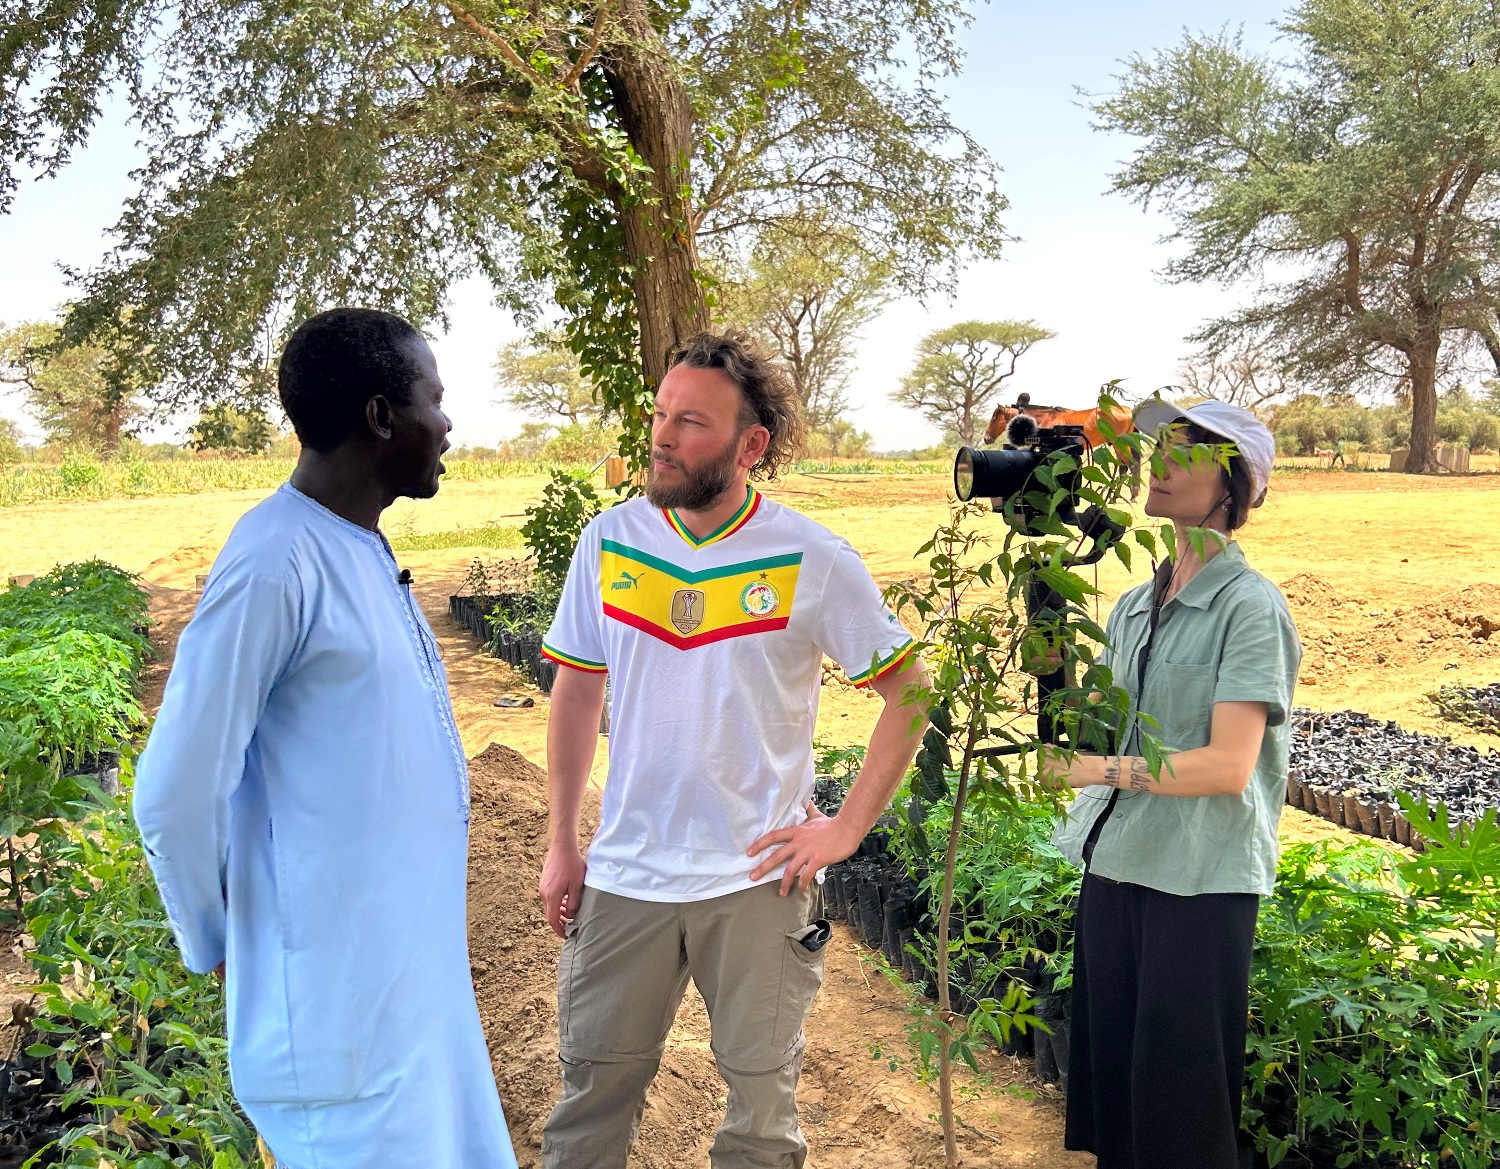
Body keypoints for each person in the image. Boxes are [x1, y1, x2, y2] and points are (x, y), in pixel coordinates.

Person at [133, 308, 518, 1169]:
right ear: (382, 417)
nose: (448, 422)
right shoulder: (275, 561)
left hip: (407, 1001)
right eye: (434, 398)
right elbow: (171, 792)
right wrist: (218, 946)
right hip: (340, 1027)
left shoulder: (353, 547)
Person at [537, 330, 927, 1169]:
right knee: (589, 1103)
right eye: (661, 417)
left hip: (756, 882)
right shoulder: (608, 541)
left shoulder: (811, 558)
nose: (663, 438)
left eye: (692, 423)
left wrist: (845, 830)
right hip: (625, 874)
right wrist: (562, 841)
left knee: (760, 1116)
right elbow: (576, 692)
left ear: (751, 445)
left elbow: (912, 692)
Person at [1049, 396, 1302, 1169]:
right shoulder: (1131, 604)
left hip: (1200, 884)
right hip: (1115, 866)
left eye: (1183, 447)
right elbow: (1088, 732)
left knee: (1181, 1107)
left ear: (1231, 483)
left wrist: (1104, 768)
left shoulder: (1247, 608)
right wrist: (1049, 655)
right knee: (1116, 1093)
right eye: (1157, 445)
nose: (1156, 461)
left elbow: (1230, 764)